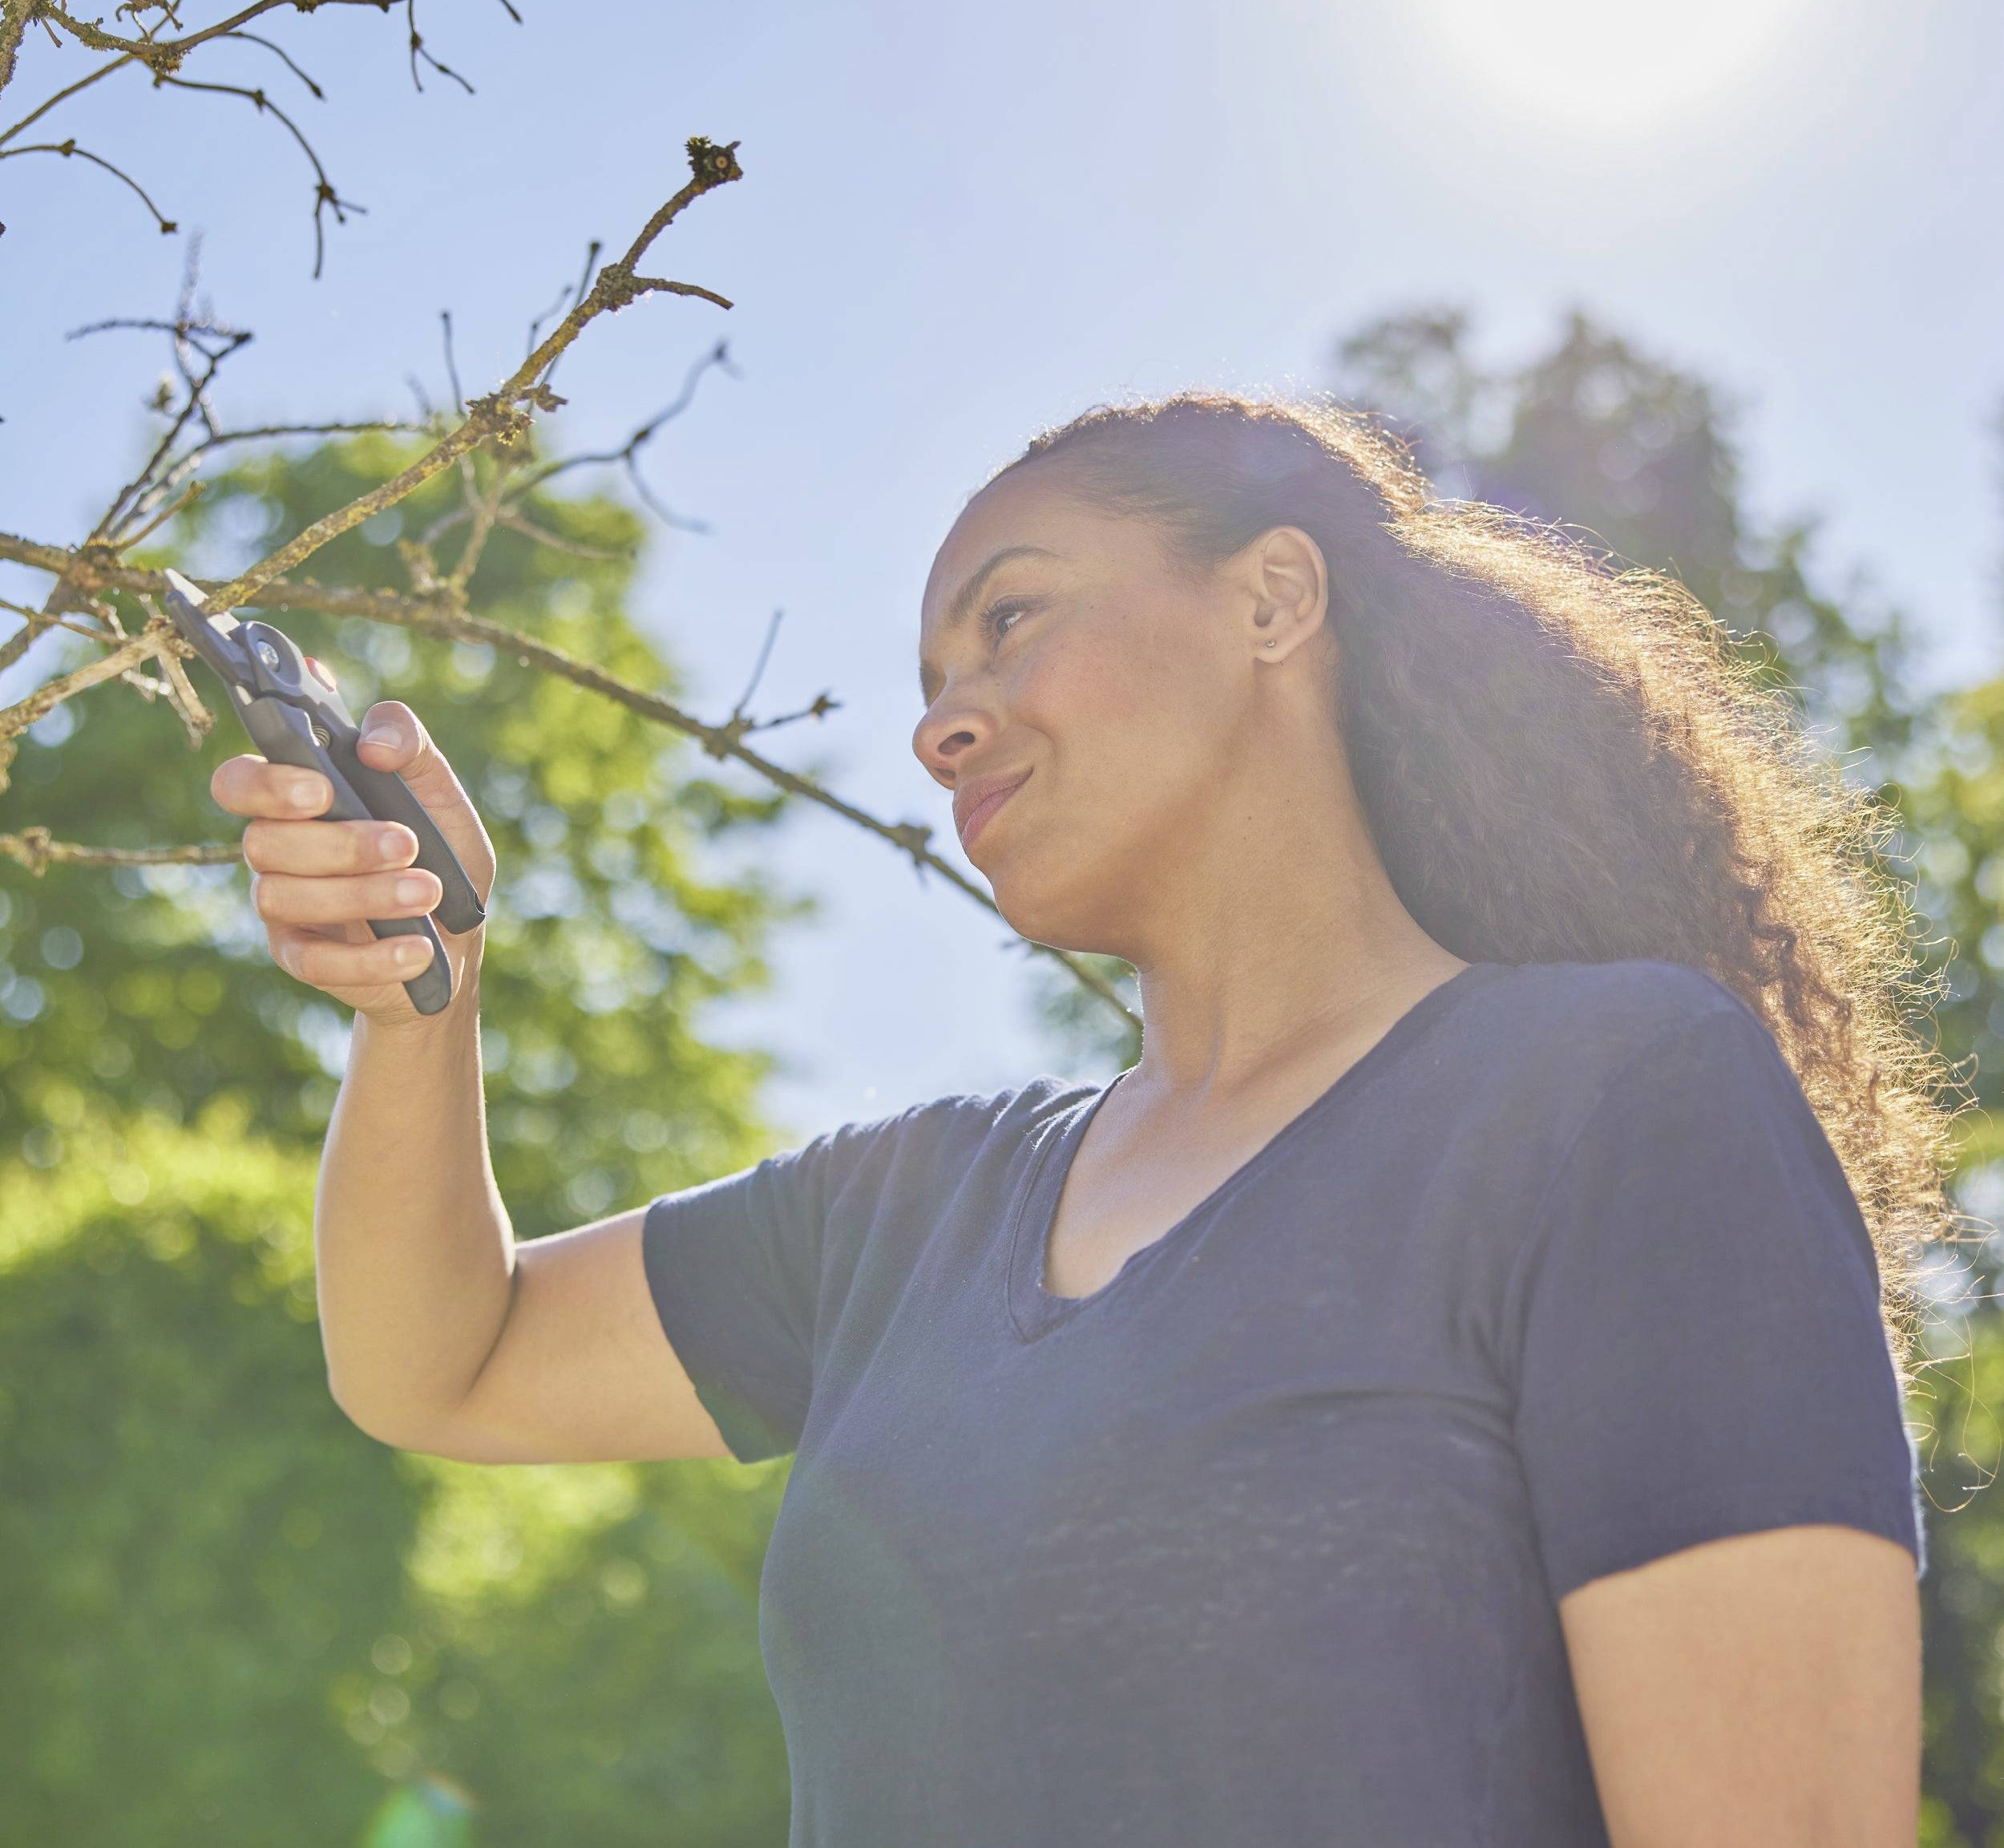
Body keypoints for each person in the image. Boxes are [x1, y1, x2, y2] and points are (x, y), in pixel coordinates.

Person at [212, 392, 1951, 1847]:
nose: (938, 717)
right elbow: (439, 1356)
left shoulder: (1614, 1098)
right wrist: (415, 996)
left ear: (1273, 599)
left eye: (1010, 617)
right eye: (926, 669)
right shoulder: (899, 1208)